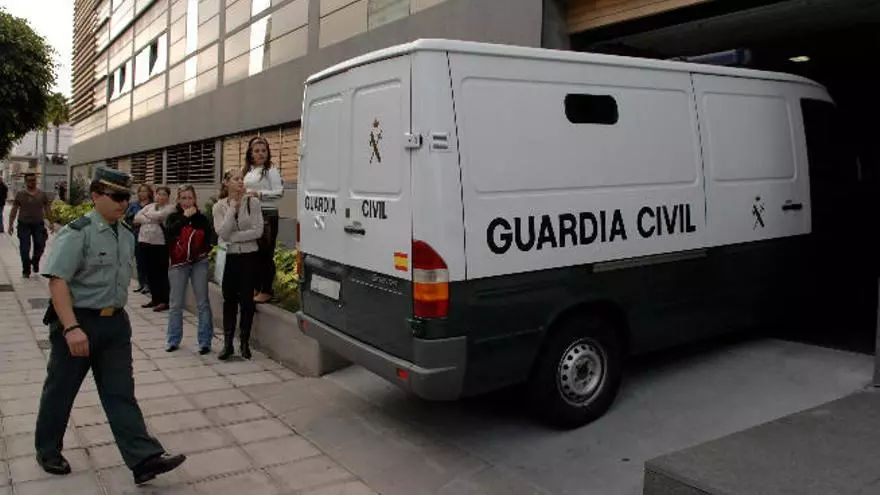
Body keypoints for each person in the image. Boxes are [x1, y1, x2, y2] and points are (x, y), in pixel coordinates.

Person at [34, 167, 186, 484]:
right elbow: (58, 282)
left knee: (120, 392)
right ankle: (47, 450)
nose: (123, 203)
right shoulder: (78, 232)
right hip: (79, 321)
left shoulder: (126, 234)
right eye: (116, 196)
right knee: (61, 390)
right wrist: (71, 328)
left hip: (115, 323)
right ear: (95, 196)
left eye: (125, 197)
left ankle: (143, 459)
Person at [213, 170, 264, 360]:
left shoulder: (253, 203)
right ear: (226, 182)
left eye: (242, 179)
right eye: (236, 179)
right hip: (229, 258)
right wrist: (232, 208)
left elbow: (257, 231)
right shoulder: (219, 207)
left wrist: (233, 238)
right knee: (229, 300)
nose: (241, 182)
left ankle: (244, 342)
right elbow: (222, 232)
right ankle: (228, 344)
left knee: (247, 301)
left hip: (249, 257)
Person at [164, 185, 214, 354]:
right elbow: (169, 233)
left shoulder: (201, 218)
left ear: (195, 199)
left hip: (199, 262)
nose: (187, 201)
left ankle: (205, 342)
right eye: (183, 198)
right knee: (176, 303)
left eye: (190, 198)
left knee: (203, 302)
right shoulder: (173, 217)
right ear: (178, 200)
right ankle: (173, 339)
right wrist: (185, 217)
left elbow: (210, 237)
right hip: (178, 263)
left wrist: (203, 250)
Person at [242, 136, 283, 304]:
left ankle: (266, 290)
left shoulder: (271, 170)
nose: (260, 154)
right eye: (257, 151)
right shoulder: (249, 171)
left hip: (267, 215)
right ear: (250, 153)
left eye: (264, 150)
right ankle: (257, 287)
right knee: (254, 253)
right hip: (251, 214)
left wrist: (259, 194)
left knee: (265, 253)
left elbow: (279, 192)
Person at [134, 186, 174, 312]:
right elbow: (136, 218)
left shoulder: (170, 208)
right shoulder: (149, 206)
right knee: (149, 272)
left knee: (161, 273)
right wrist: (151, 218)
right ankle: (155, 299)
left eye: (164, 194)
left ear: (168, 197)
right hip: (144, 242)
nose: (161, 197)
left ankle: (164, 301)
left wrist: (146, 217)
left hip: (160, 244)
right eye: (159, 194)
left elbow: (160, 216)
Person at [9, 172, 53, 278]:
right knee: (24, 248)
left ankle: (35, 261)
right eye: (29, 180)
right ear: (25, 181)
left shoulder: (42, 194)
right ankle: (26, 270)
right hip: (23, 225)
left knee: (40, 245)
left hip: (38, 225)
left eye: (33, 180)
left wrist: (51, 222)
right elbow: (14, 209)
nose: (32, 182)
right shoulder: (20, 194)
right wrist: (10, 224)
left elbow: (47, 208)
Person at [125, 185, 153, 294]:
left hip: (150, 238)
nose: (142, 193)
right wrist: (133, 222)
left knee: (149, 262)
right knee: (139, 262)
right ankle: (141, 284)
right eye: (140, 191)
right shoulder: (133, 205)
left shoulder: (153, 205)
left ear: (149, 192)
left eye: (145, 191)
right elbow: (127, 219)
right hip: (137, 237)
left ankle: (149, 285)